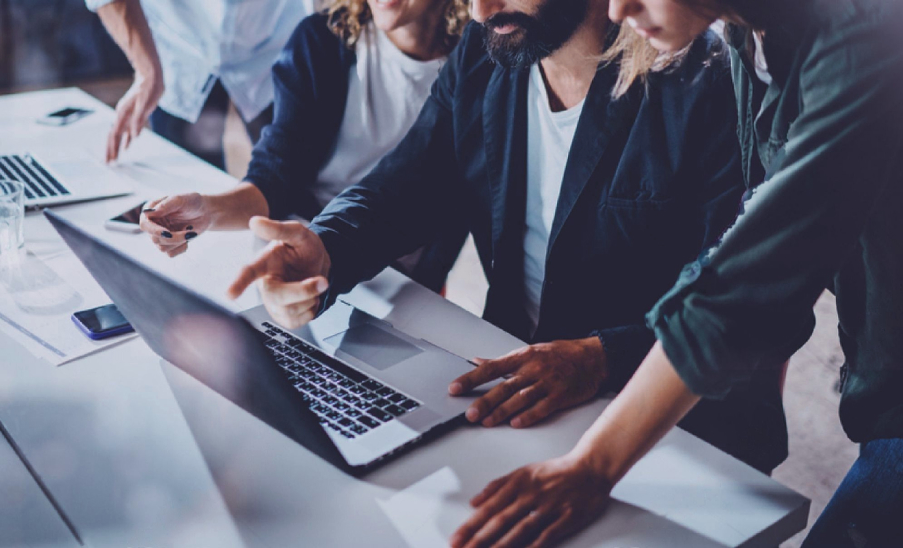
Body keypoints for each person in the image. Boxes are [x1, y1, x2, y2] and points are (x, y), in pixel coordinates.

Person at [208, 0, 789, 479]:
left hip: (666, 425)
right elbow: (406, 183)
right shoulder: (492, 52)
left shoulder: (708, 81)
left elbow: (746, 301)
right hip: (512, 389)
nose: (482, 10)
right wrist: (324, 247)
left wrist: (600, 357)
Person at [450, 0, 903, 546]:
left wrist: (593, 465)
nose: (618, 9)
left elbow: (750, 282)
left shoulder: (864, 36)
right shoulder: (748, 37)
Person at [137, 0, 471, 291]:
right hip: (298, 258)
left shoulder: (478, 72)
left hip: (400, 281)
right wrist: (207, 211)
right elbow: (274, 179)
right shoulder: (321, 41)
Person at [85, 0, 311, 169]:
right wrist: (147, 69)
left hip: (275, 41)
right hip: (180, 51)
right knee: (184, 194)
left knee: (294, 176)